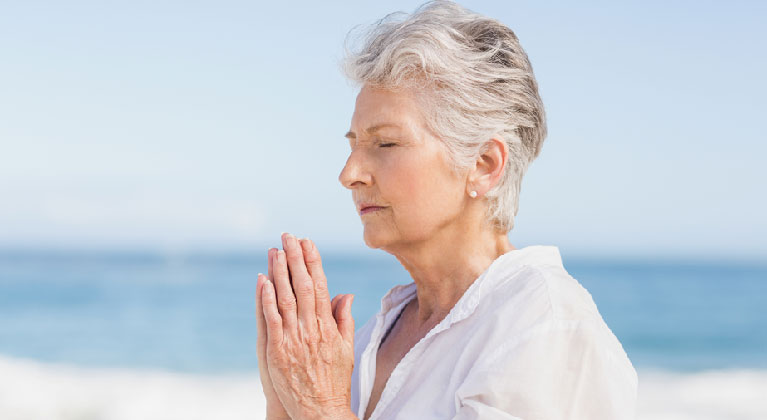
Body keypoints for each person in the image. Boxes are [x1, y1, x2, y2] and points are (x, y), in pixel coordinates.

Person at [254, 1, 638, 419]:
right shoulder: (369, 339)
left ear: (484, 165)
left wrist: (318, 406)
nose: (350, 174)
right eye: (353, 145)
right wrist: (284, 397)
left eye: (385, 143)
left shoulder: (544, 324)